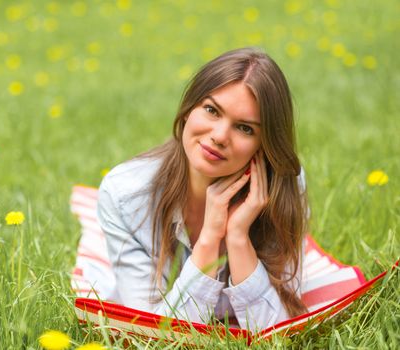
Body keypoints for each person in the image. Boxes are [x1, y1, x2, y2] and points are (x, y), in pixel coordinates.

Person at [96, 47, 309, 331]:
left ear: (264, 146)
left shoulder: (282, 187)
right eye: (211, 110)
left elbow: (277, 335)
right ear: (188, 110)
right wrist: (209, 238)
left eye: (245, 128)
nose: (219, 136)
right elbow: (153, 336)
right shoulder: (125, 197)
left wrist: (237, 237)